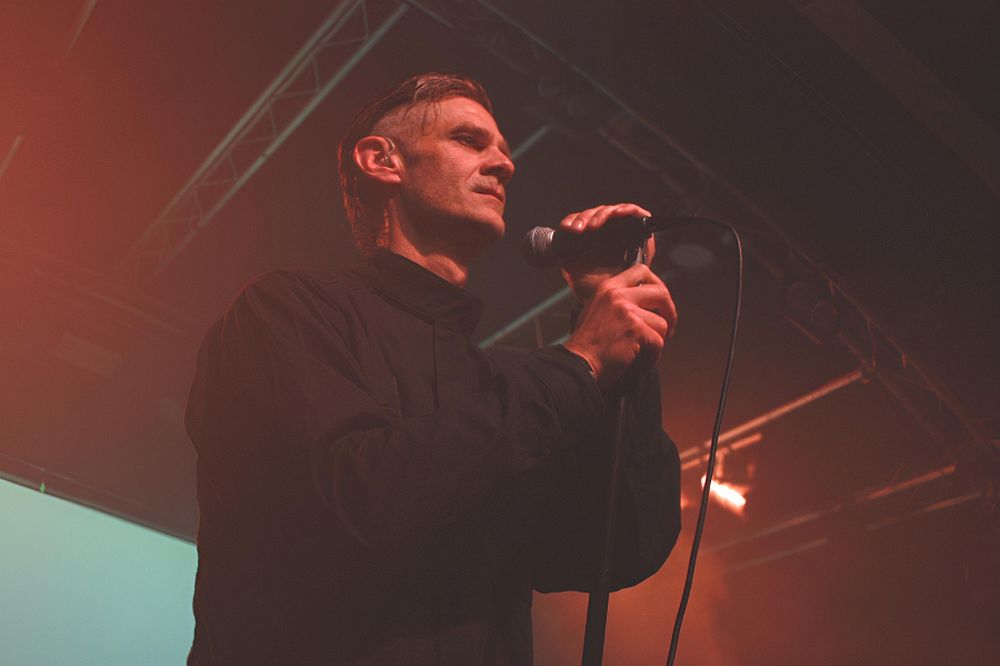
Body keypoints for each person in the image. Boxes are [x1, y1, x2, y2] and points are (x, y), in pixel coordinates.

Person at [185, 72, 681, 665]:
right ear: (381, 160)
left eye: (504, 151)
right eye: (469, 140)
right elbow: (358, 497)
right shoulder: (286, 311)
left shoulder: (497, 385)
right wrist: (578, 365)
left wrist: (625, 367)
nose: (505, 164)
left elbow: (613, 549)